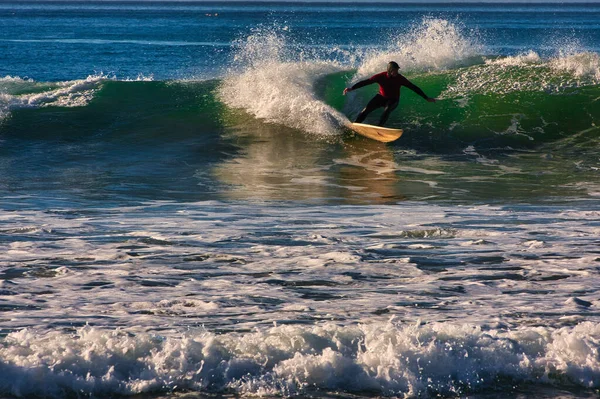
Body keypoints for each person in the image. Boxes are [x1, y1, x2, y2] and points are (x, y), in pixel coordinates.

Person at [343, 61, 436, 126]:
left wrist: (426, 98)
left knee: (387, 111)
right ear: (390, 70)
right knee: (366, 110)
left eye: (397, 70)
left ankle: (379, 128)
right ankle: (355, 125)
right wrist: (352, 88)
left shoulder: (400, 78)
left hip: (393, 100)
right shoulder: (380, 76)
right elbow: (366, 82)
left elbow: (414, 87)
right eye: (395, 70)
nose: (397, 72)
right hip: (381, 97)